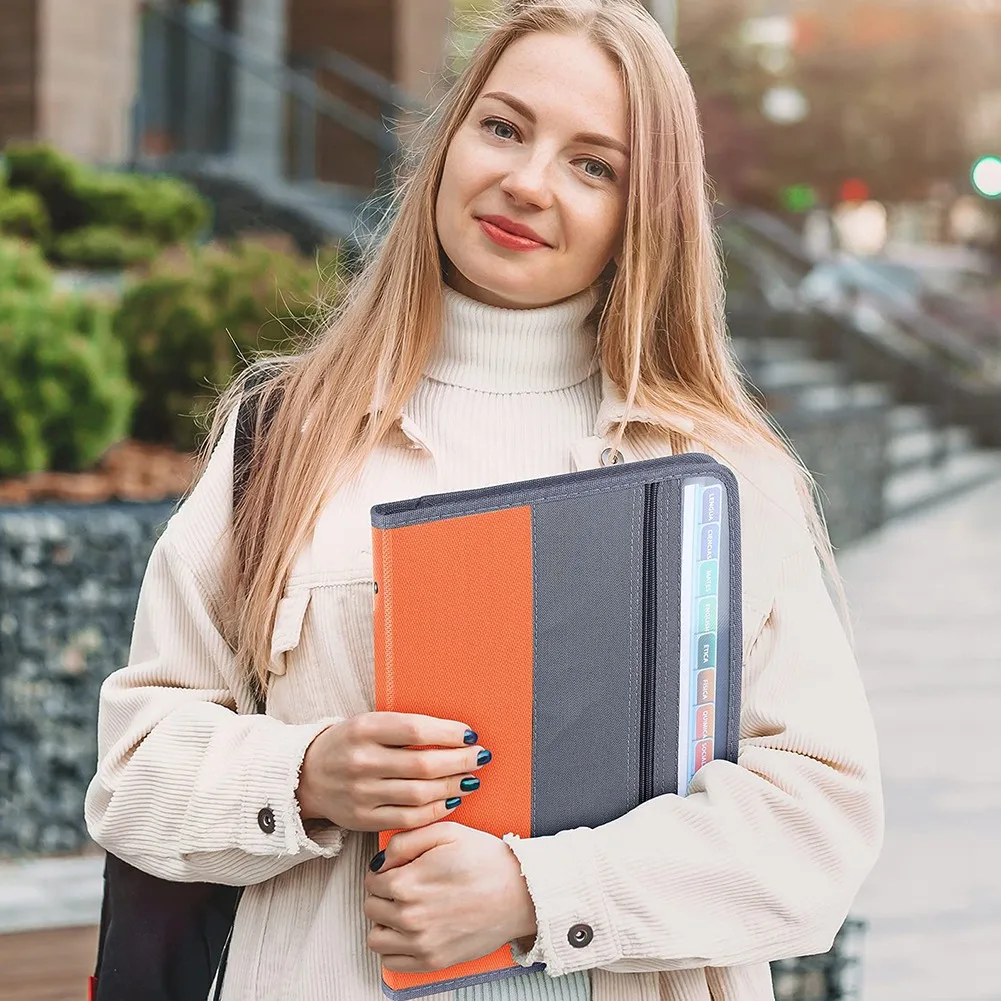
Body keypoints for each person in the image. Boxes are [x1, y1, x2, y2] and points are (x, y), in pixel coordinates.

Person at [84, 2, 883, 999]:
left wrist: (532, 888)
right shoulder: (282, 434)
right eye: (502, 127)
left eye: (592, 165)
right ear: (449, 139)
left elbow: (817, 816)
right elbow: (133, 770)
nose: (525, 181)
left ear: (647, 213)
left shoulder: (718, 472)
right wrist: (303, 774)